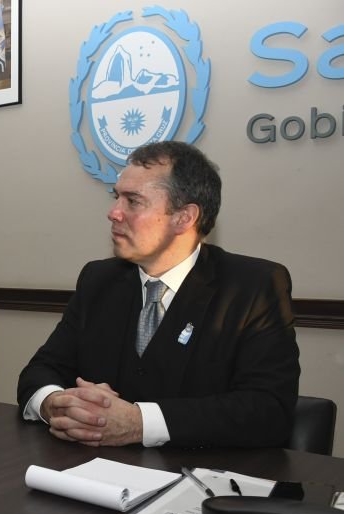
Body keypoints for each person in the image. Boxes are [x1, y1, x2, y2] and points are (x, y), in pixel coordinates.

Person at [17, 141, 300, 448]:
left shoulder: (253, 286)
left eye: (133, 201)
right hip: (94, 475)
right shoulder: (99, 279)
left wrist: (141, 424)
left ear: (184, 217)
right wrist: (55, 403)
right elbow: (41, 369)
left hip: (201, 480)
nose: (113, 213)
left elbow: (268, 410)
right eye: (116, 198)